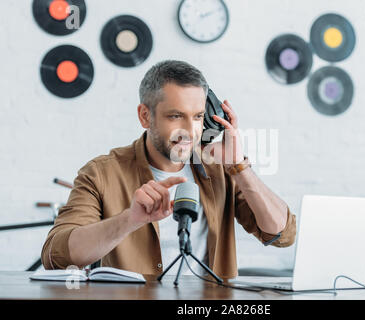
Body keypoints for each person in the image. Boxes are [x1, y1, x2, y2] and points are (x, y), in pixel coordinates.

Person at [41, 60, 296, 278]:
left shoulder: (221, 170)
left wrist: (240, 168)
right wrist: (129, 220)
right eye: (175, 116)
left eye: (197, 116)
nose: (190, 130)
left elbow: (282, 234)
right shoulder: (101, 173)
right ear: (145, 116)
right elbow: (56, 256)